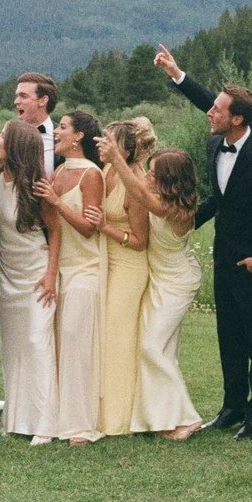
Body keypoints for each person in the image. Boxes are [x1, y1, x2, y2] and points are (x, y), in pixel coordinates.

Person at [189, 84, 252, 440]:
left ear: (237, 118)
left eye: (217, 109)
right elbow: (220, 198)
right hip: (222, 255)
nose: (211, 113)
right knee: (228, 334)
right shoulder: (214, 145)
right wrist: (188, 223)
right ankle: (232, 406)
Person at [95, 138, 204, 440]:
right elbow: (139, 183)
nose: (149, 176)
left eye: (155, 173)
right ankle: (163, 419)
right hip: (157, 279)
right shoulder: (158, 194)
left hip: (178, 283)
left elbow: (140, 192)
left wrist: (116, 157)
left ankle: (187, 417)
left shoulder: (177, 211)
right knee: (161, 349)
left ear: (170, 181)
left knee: (152, 347)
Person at [0, 119, 61, 444]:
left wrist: (50, 274)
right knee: (14, 346)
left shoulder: (36, 185)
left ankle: (46, 422)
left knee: (36, 341)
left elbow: (55, 230)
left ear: (16, 145)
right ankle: (17, 416)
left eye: (3, 136)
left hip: (35, 272)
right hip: (7, 272)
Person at [34, 111, 106, 444]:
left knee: (77, 344)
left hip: (84, 269)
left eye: (62, 127)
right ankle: (57, 417)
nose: (56, 132)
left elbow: (89, 229)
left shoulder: (91, 174)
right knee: (59, 345)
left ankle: (81, 425)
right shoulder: (60, 170)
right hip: (59, 266)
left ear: (78, 137)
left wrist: (55, 202)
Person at [91, 118, 152, 437]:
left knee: (119, 337)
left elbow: (141, 241)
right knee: (105, 334)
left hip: (129, 265)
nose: (102, 145)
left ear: (126, 151)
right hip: (107, 261)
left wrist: (105, 227)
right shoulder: (104, 171)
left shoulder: (136, 183)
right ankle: (99, 408)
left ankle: (119, 418)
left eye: (109, 142)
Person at [14, 72, 59, 177]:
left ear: (43, 100)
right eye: (17, 96)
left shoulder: (63, 137)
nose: (16, 101)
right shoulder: (10, 136)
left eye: (23, 96)